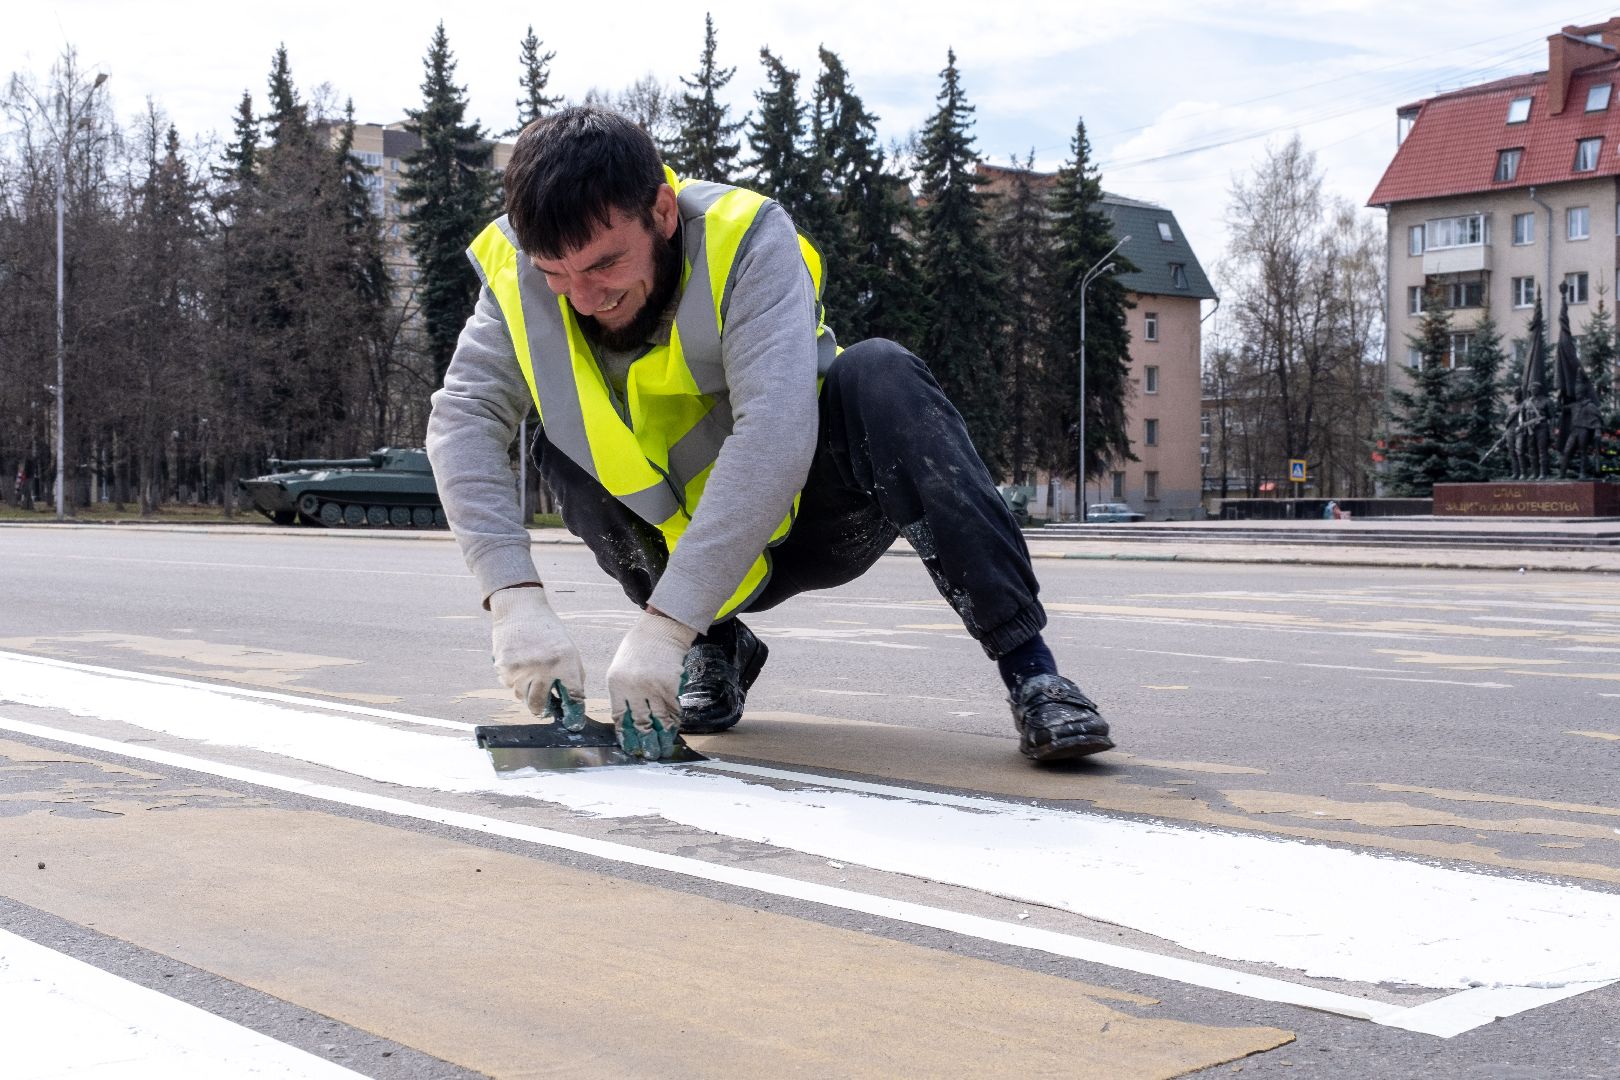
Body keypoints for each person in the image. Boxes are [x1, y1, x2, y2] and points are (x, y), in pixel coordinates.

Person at [427, 106, 1113, 764]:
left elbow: (775, 435)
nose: (585, 298)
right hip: (676, 548)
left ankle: (1033, 673)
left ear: (662, 212)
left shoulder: (745, 241)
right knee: (556, 446)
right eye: (557, 273)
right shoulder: (518, 278)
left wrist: (664, 628)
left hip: (814, 518)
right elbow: (463, 419)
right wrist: (512, 596)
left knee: (883, 373)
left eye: (605, 264)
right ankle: (717, 645)